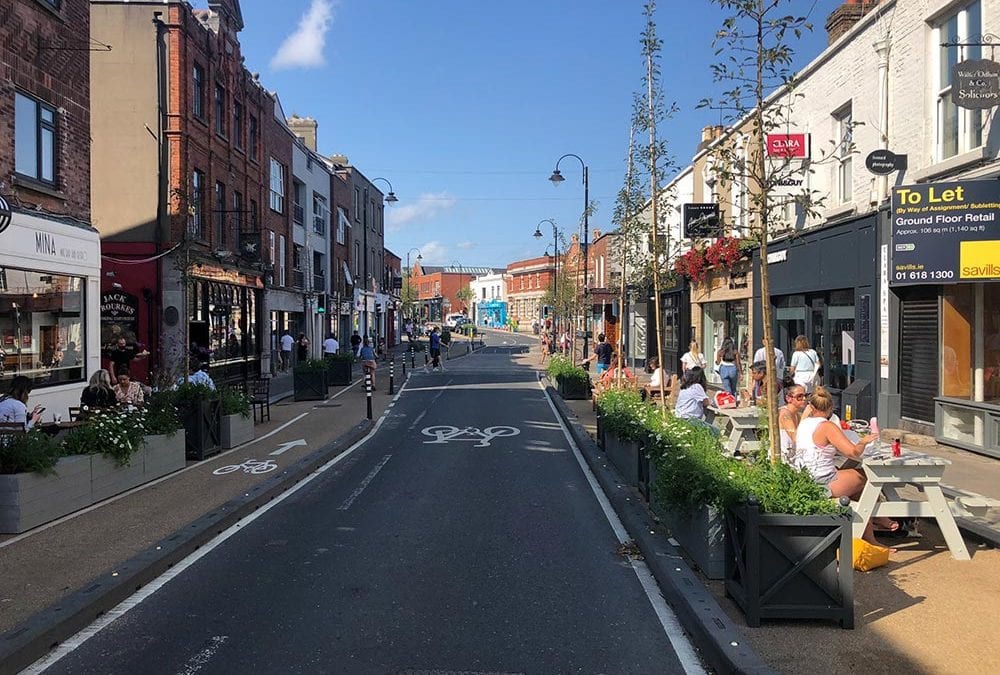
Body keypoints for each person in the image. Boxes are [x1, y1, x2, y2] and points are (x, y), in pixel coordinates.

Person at [795, 386, 895, 548]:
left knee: (855, 485)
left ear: (811, 407)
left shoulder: (804, 424)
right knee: (867, 475)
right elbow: (853, 452)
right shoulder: (828, 426)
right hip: (821, 482)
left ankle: (870, 532)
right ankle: (878, 519)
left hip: (805, 478)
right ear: (831, 408)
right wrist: (863, 441)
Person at [673, 367, 716, 434]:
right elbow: (706, 403)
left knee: (707, 429)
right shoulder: (696, 386)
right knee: (715, 432)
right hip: (689, 419)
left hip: (679, 417)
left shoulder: (685, 386)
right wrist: (714, 402)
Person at [778, 382, 809, 466]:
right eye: (799, 396)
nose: (804, 399)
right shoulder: (785, 414)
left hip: (792, 457)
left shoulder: (796, 415)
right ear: (789, 398)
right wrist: (805, 414)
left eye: (805, 395)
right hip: (783, 460)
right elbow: (796, 437)